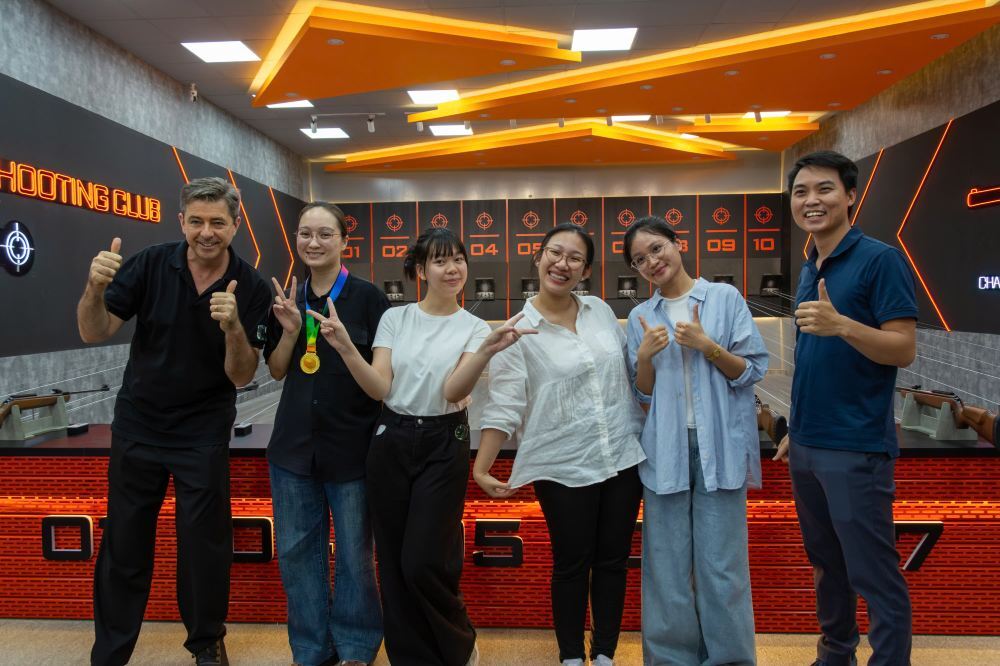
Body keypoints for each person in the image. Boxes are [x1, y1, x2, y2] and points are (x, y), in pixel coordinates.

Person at [306, 227, 533, 666]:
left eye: (458, 259)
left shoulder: (474, 328)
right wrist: (346, 348)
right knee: (392, 564)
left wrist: (485, 352)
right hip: (390, 439)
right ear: (421, 270)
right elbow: (379, 388)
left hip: (445, 441)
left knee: (424, 561)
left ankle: (458, 646)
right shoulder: (397, 319)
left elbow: (453, 391)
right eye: (440, 261)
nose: (452, 269)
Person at [77, 176, 271, 666]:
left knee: (204, 546)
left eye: (218, 223)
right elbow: (94, 331)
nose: (207, 232)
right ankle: (111, 650)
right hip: (139, 425)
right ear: (181, 221)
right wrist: (94, 288)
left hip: (202, 432)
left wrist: (233, 327)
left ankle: (206, 642)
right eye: (197, 221)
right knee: (124, 543)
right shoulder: (149, 264)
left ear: (235, 225)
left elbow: (241, 374)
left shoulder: (250, 285)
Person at [474, 223, 646, 666]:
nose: (562, 263)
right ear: (539, 257)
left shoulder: (599, 311)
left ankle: (604, 653)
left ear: (585, 270)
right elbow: (505, 403)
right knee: (572, 563)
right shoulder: (518, 329)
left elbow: (627, 376)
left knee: (612, 561)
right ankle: (570, 656)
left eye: (574, 258)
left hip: (621, 455)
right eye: (555, 252)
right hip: (562, 463)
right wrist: (482, 466)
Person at [774, 151, 918, 666]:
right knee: (826, 566)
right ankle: (835, 654)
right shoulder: (811, 265)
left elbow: (902, 348)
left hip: (855, 446)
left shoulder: (880, 260)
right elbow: (815, 361)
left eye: (824, 189)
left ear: (851, 195)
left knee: (872, 572)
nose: (811, 201)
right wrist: (797, 428)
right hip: (808, 444)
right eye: (801, 192)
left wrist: (843, 325)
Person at [622, 215, 768, 666]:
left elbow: (751, 370)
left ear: (677, 243)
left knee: (722, 567)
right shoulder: (641, 316)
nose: (651, 261)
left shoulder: (724, 298)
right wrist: (645, 357)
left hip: (718, 447)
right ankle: (670, 659)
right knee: (665, 568)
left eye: (656, 248)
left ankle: (730, 659)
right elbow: (643, 394)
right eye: (639, 259)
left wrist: (708, 346)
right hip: (665, 448)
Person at [264, 202, 388, 666]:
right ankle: (311, 650)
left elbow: (383, 380)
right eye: (305, 234)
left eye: (324, 234)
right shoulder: (286, 299)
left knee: (356, 556)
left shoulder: (369, 299)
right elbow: (277, 370)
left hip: (352, 448)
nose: (313, 243)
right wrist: (291, 332)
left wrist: (346, 345)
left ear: (343, 241)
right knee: (297, 557)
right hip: (293, 450)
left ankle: (355, 647)